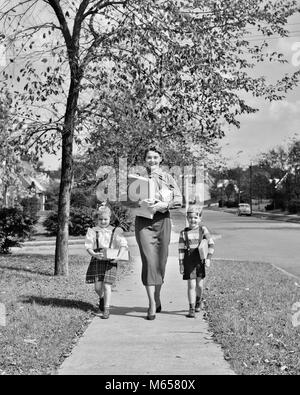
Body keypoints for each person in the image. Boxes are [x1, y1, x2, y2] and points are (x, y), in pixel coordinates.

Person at [134, 146, 182, 320]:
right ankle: (151, 304)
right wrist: (140, 202)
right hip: (143, 222)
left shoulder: (168, 178)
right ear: (144, 160)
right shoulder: (138, 178)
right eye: (149, 157)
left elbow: (179, 199)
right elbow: (127, 201)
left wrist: (164, 205)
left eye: (155, 157)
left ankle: (157, 296)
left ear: (161, 159)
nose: (152, 160)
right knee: (149, 262)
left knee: (161, 262)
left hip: (162, 222)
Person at [85, 205, 128, 319]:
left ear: (110, 218)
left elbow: (123, 245)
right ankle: (102, 298)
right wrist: (93, 254)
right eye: (100, 219)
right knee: (98, 287)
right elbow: (88, 246)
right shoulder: (93, 231)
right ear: (96, 219)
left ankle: (107, 309)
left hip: (111, 259)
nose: (103, 221)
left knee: (107, 285)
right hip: (97, 258)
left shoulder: (115, 230)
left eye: (105, 219)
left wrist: (118, 257)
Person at [178, 206, 215, 318]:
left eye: (195, 217)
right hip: (188, 261)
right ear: (187, 218)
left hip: (200, 261)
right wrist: (181, 264)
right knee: (191, 285)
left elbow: (211, 244)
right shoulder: (183, 233)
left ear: (200, 218)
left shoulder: (202, 230)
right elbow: (180, 249)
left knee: (199, 285)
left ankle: (198, 301)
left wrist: (208, 258)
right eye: (190, 217)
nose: (192, 220)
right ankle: (191, 308)